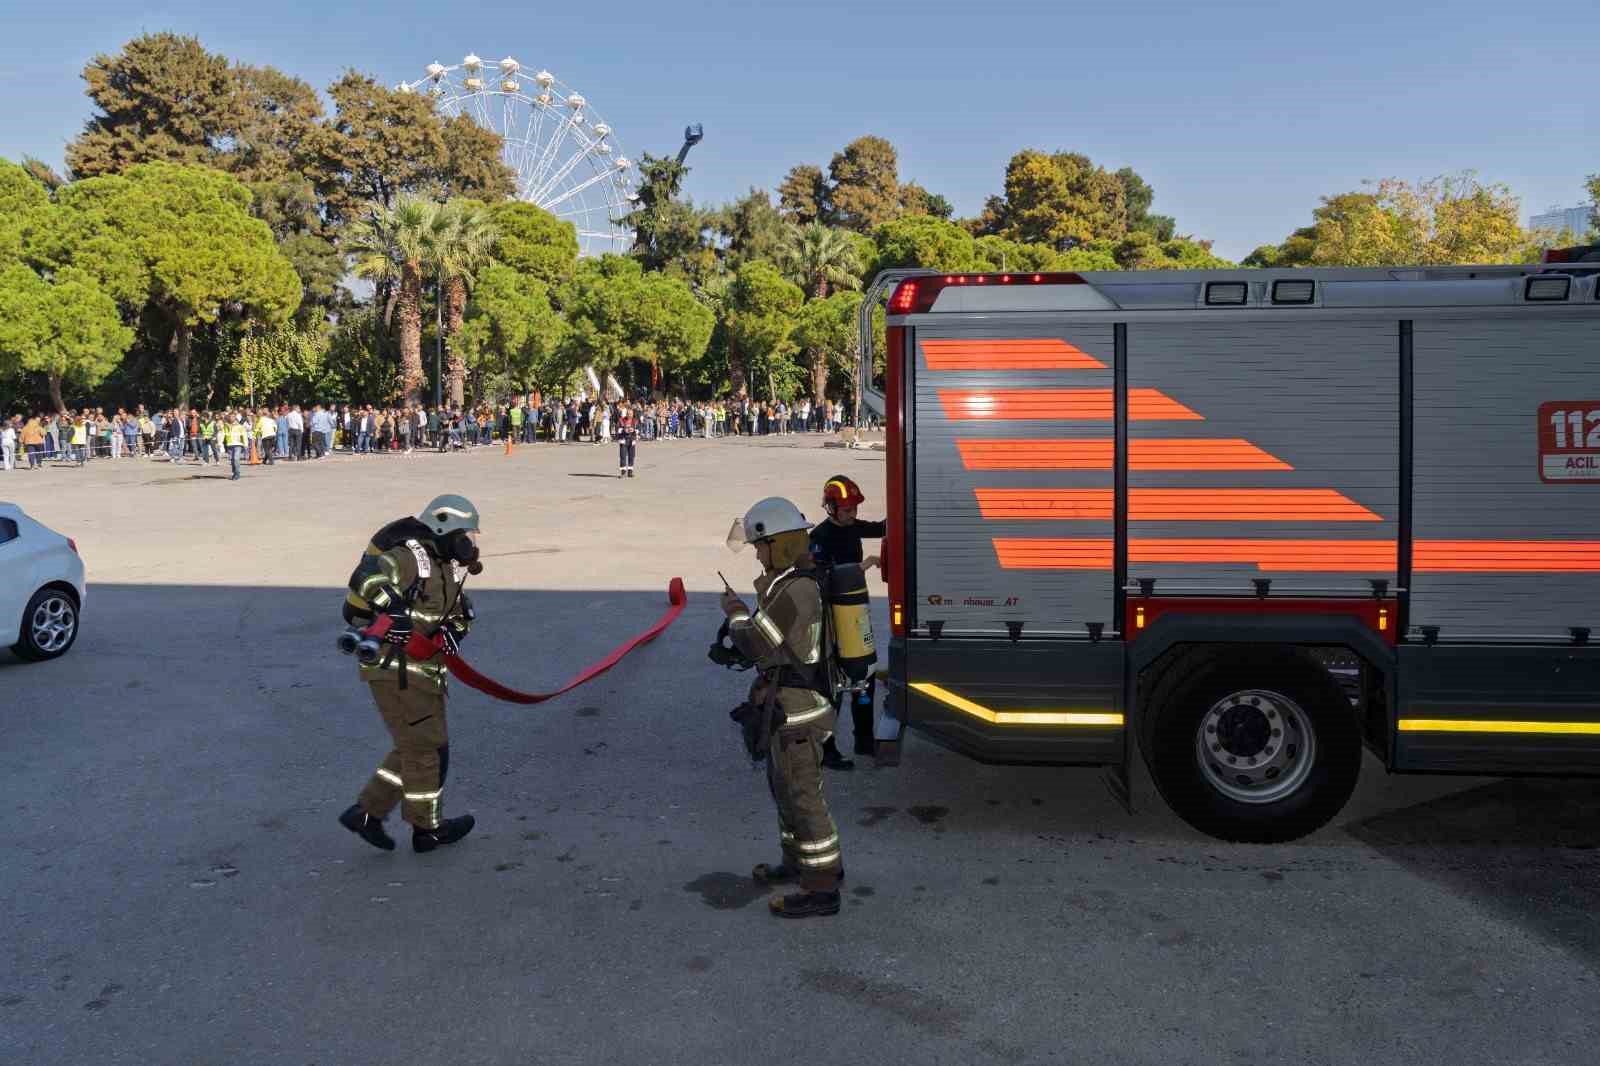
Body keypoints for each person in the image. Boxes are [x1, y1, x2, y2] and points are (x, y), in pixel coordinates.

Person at [721, 496, 844, 919]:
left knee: (803, 797)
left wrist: (736, 613)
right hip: (788, 709)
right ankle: (796, 864)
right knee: (786, 791)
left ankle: (822, 887)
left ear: (780, 544)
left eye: (761, 545)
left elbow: (756, 642)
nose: (757, 553)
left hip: (799, 714)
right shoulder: (790, 584)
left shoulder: (797, 590)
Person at [339, 494, 480, 854]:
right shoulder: (411, 556)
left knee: (416, 746)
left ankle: (367, 813)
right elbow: (366, 578)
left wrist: (455, 631)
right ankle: (427, 829)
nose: (471, 543)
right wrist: (395, 610)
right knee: (427, 749)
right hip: (396, 668)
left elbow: (458, 612)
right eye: (467, 534)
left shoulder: (444, 565)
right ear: (445, 529)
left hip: (424, 670)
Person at [809, 474, 888, 770]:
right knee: (834, 687)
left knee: (864, 677)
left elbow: (882, 527)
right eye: (846, 510)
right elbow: (819, 579)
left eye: (854, 509)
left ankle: (864, 741)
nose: (853, 515)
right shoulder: (819, 538)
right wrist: (861, 566)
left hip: (855, 614)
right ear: (831, 509)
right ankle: (827, 750)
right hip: (831, 620)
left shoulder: (852, 527)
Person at [616, 402, 637, 478]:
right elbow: (617, 430)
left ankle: (630, 472)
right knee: (623, 456)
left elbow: (638, 430)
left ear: (633, 414)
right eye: (628, 413)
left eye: (631, 414)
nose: (630, 415)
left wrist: (634, 430)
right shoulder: (621, 420)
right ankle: (623, 472)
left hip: (632, 440)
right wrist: (624, 430)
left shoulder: (635, 421)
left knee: (632, 456)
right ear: (626, 414)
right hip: (623, 440)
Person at [224, 413, 249, 480]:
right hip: (230, 445)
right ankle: (234, 472)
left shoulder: (240, 426)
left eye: (233, 417)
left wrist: (246, 444)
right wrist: (220, 442)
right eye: (230, 417)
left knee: (236, 459)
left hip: (238, 444)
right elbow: (224, 434)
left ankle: (237, 474)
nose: (231, 418)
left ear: (235, 418)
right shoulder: (226, 426)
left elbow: (244, 435)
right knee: (232, 460)